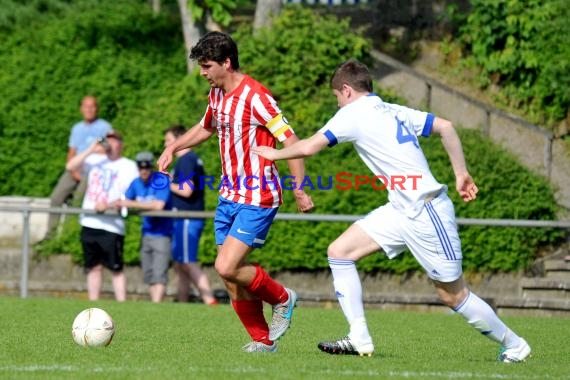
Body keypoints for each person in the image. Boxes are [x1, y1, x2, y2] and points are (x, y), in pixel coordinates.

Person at [252, 59, 531, 362]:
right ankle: (359, 337)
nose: (337, 103)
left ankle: (515, 344)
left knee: (453, 294)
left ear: (345, 90)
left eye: (336, 96)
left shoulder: (353, 114)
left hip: (426, 211)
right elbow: (446, 127)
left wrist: (274, 153)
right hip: (401, 209)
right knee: (340, 251)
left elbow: (307, 147)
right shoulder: (392, 109)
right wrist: (460, 173)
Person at [158, 31, 314, 353]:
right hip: (229, 196)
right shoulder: (216, 95)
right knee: (229, 278)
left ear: (226, 63)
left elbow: (292, 143)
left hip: (259, 196)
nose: (202, 72)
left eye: (207, 66)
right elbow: (206, 127)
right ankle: (262, 341)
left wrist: (300, 189)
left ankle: (283, 298)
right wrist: (174, 146)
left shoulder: (257, 97)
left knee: (226, 266)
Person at [67, 131, 139, 302]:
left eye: (114, 141)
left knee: (115, 267)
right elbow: (70, 167)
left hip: (111, 224)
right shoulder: (95, 161)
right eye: (108, 141)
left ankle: (122, 303)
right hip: (90, 221)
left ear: (121, 145)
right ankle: (93, 303)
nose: (109, 144)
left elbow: (132, 194)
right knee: (93, 267)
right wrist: (91, 149)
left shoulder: (128, 166)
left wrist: (108, 205)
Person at [163, 125, 217, 305]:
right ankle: (183, 301)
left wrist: (167, 183)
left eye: (169, 141)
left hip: (187, 218)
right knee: (180, 265)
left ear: (180, 139)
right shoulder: (190, 159)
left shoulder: (186, 159)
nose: (166, 145)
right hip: (184, 218)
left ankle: (210, 300)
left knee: (187, 262)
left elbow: (186, 190)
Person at [47, 96, 112, 238]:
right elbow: (72, 152)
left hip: (92, 170)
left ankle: (69, 236)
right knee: (56, 197)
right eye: (86, 106)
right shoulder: (77, 128)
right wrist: (73, 170)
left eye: (92, 106)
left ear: (97, 109)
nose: (89, 110)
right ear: (81, 109)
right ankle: (50, 235)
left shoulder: (105, 127)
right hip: (76, 168)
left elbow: (109, 151)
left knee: (77, 201)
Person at [118, 152, 173, 303]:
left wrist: (132, 204)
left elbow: (158, 205)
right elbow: (123, 200)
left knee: (159, 272)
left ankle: (156, 304)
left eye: (147, 167)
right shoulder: (136, 182)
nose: (144, 171)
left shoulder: (160, 180)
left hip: (162, 233)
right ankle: (154, 302)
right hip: (146, 232)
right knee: (148, 272)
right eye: (141, 168)